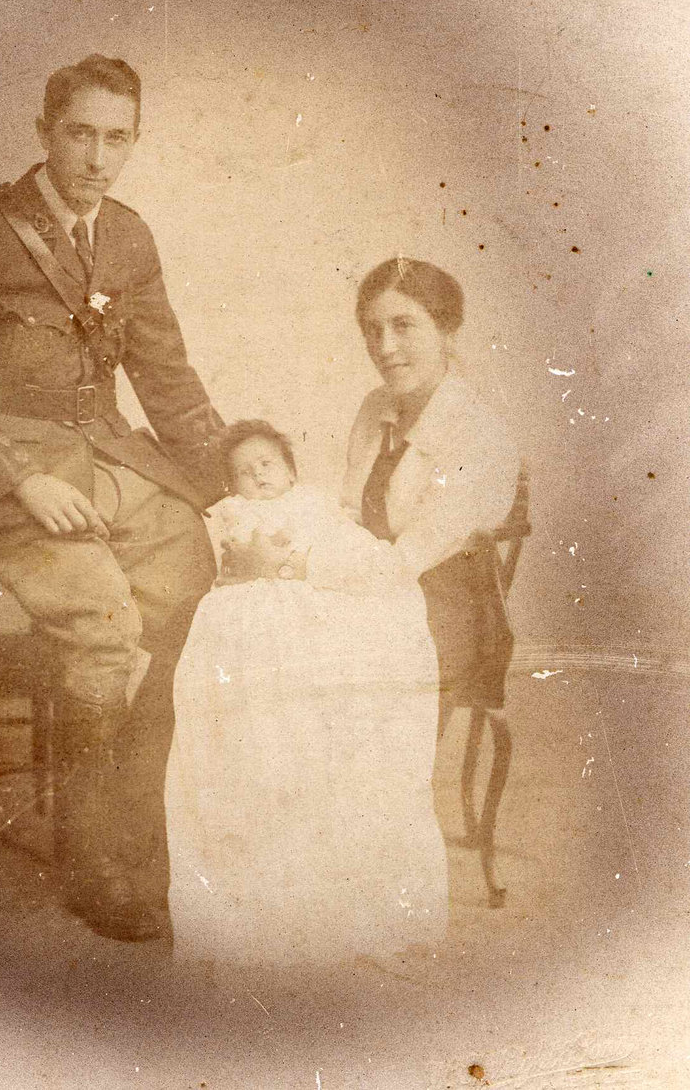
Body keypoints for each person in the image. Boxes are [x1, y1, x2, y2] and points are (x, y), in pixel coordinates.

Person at [0, 54, 225, 942]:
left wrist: (232, 491)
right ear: (45, 131)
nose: (97, 157)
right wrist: (21, 480)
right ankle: (91, 863)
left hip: (106, 462)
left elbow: (167, 379)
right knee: (107, 629)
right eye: (80, 133)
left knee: (195, 586)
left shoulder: (128, 238)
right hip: (6, 479)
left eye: (117, 138)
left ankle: (147, 838)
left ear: (134, 142)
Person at [164, 420, 448, 967]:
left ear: (291, 471)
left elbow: (346, 548)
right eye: (243, 472)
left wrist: (302, 563)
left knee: (344, 649)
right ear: (232, 485)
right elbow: (234, 561)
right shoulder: (234, 513)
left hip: (313, 596)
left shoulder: (314, 505)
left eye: (266, 465)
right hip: (255, 602)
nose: (257, 477)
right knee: (250, 651)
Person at [343, 257, 521, 902]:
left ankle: (370, 859)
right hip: (377, 589)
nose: (385, 347)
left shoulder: (478, 430)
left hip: (448, 608)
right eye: (372, 330)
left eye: (403, 326)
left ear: (446, 330)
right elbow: (349, 512)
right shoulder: (376, 408)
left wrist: (332, 580)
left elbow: (415, 553)